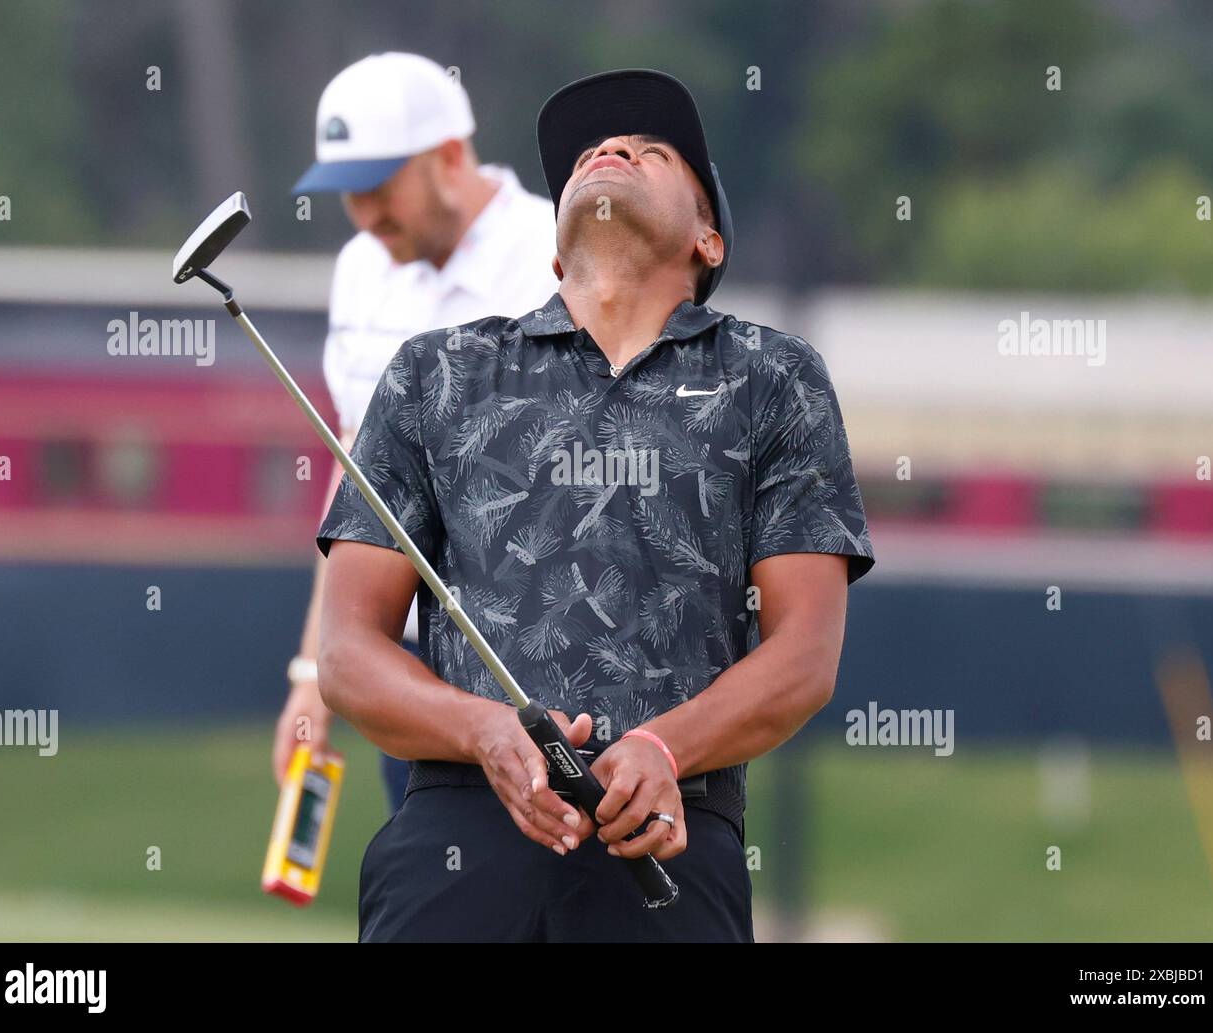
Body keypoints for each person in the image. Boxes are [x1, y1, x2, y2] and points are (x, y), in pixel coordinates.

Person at [317, 68, 875, 942]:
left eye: (653, 152)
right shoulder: (433, 374)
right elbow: (348, 652)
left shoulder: (775, 380)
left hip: (669, 848)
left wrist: (663, 748)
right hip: (453, 842)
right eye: (590, 155)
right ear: (552, 250)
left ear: (709, 240)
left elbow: (805, 653)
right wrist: (481, 730)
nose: (611, 151)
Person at [271, 52, 558, 812]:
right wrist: (316, 673)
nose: (364, 216)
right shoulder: (361, 270)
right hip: (410, 679)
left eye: (378, 189)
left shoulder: (555, 254)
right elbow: (357, 484)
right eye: (348, 195)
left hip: (539, 671)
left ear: (450, 157)